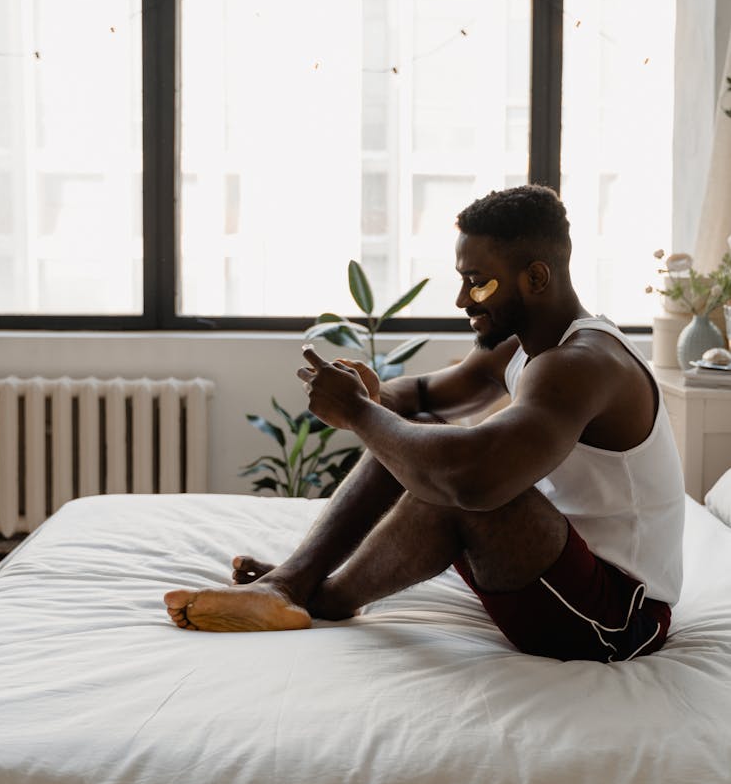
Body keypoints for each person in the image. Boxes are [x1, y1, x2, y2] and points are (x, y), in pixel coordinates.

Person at [164, 185, 685, 662]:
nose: (462, 301)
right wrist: (374, 396)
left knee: (462, 476)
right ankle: (289, 584)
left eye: (477, 284)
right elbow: (421, 397)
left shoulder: (582, 363)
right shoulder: (519, 346)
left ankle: (322, 598)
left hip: (617, 616)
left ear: (536, 277)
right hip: (559, 573)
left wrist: (360, 414)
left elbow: (473, 480)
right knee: (427, 434)